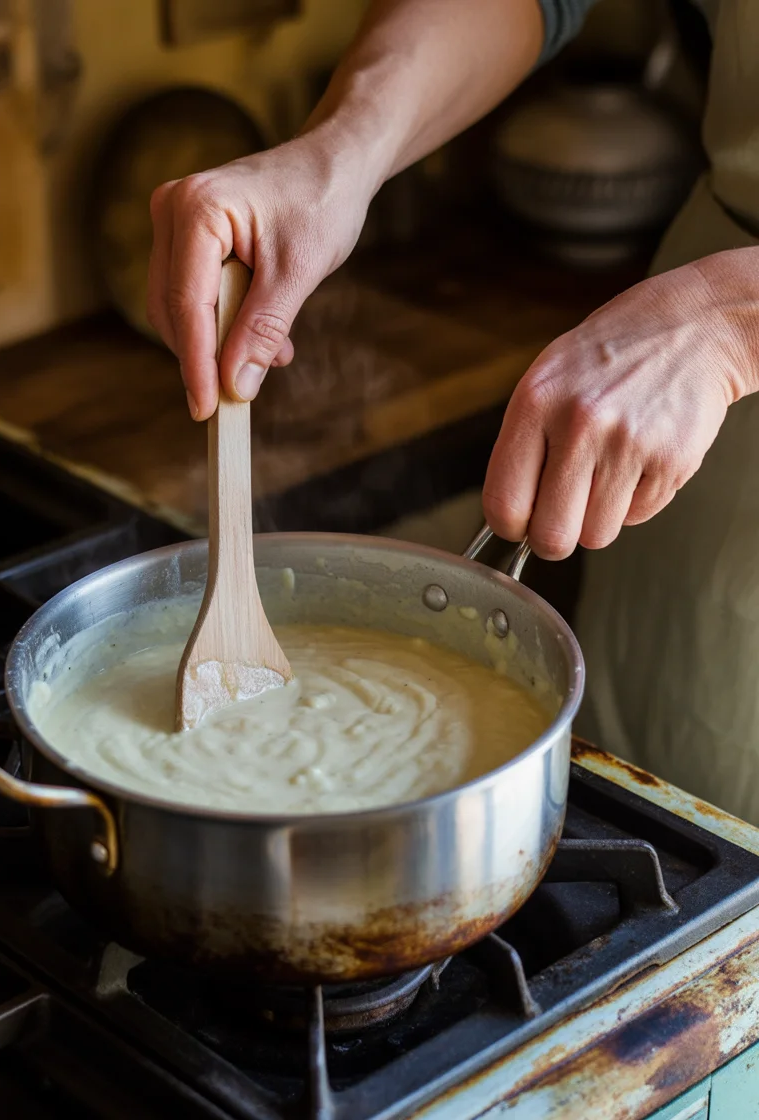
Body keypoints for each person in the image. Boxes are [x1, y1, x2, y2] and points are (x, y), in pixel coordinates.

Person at [147, 0, 759, 822]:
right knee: (669, 803)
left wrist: (727, 322)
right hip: (668, 437)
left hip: (692, 341)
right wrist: (338, 153)